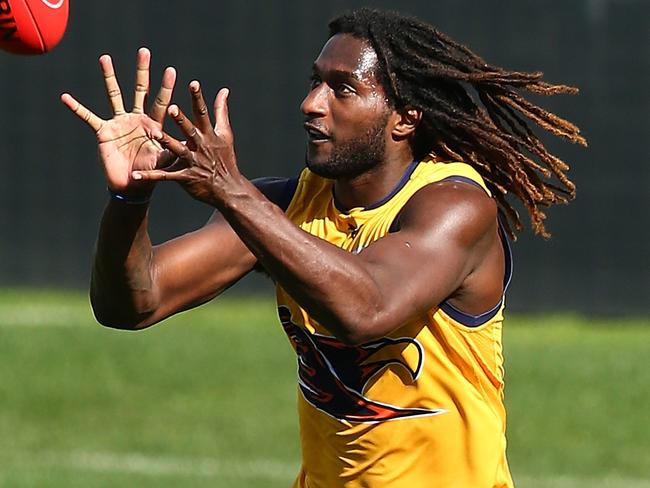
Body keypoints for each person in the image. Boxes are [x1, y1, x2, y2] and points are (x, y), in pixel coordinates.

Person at [61, 8, 586, 488]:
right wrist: (131, 197)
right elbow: (133, 303)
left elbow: (366, 309)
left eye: (343, 89)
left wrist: (231, 189)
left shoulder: (456, 206)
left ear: (404, 117)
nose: (312, 104)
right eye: (315, 82)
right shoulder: (280, 207)